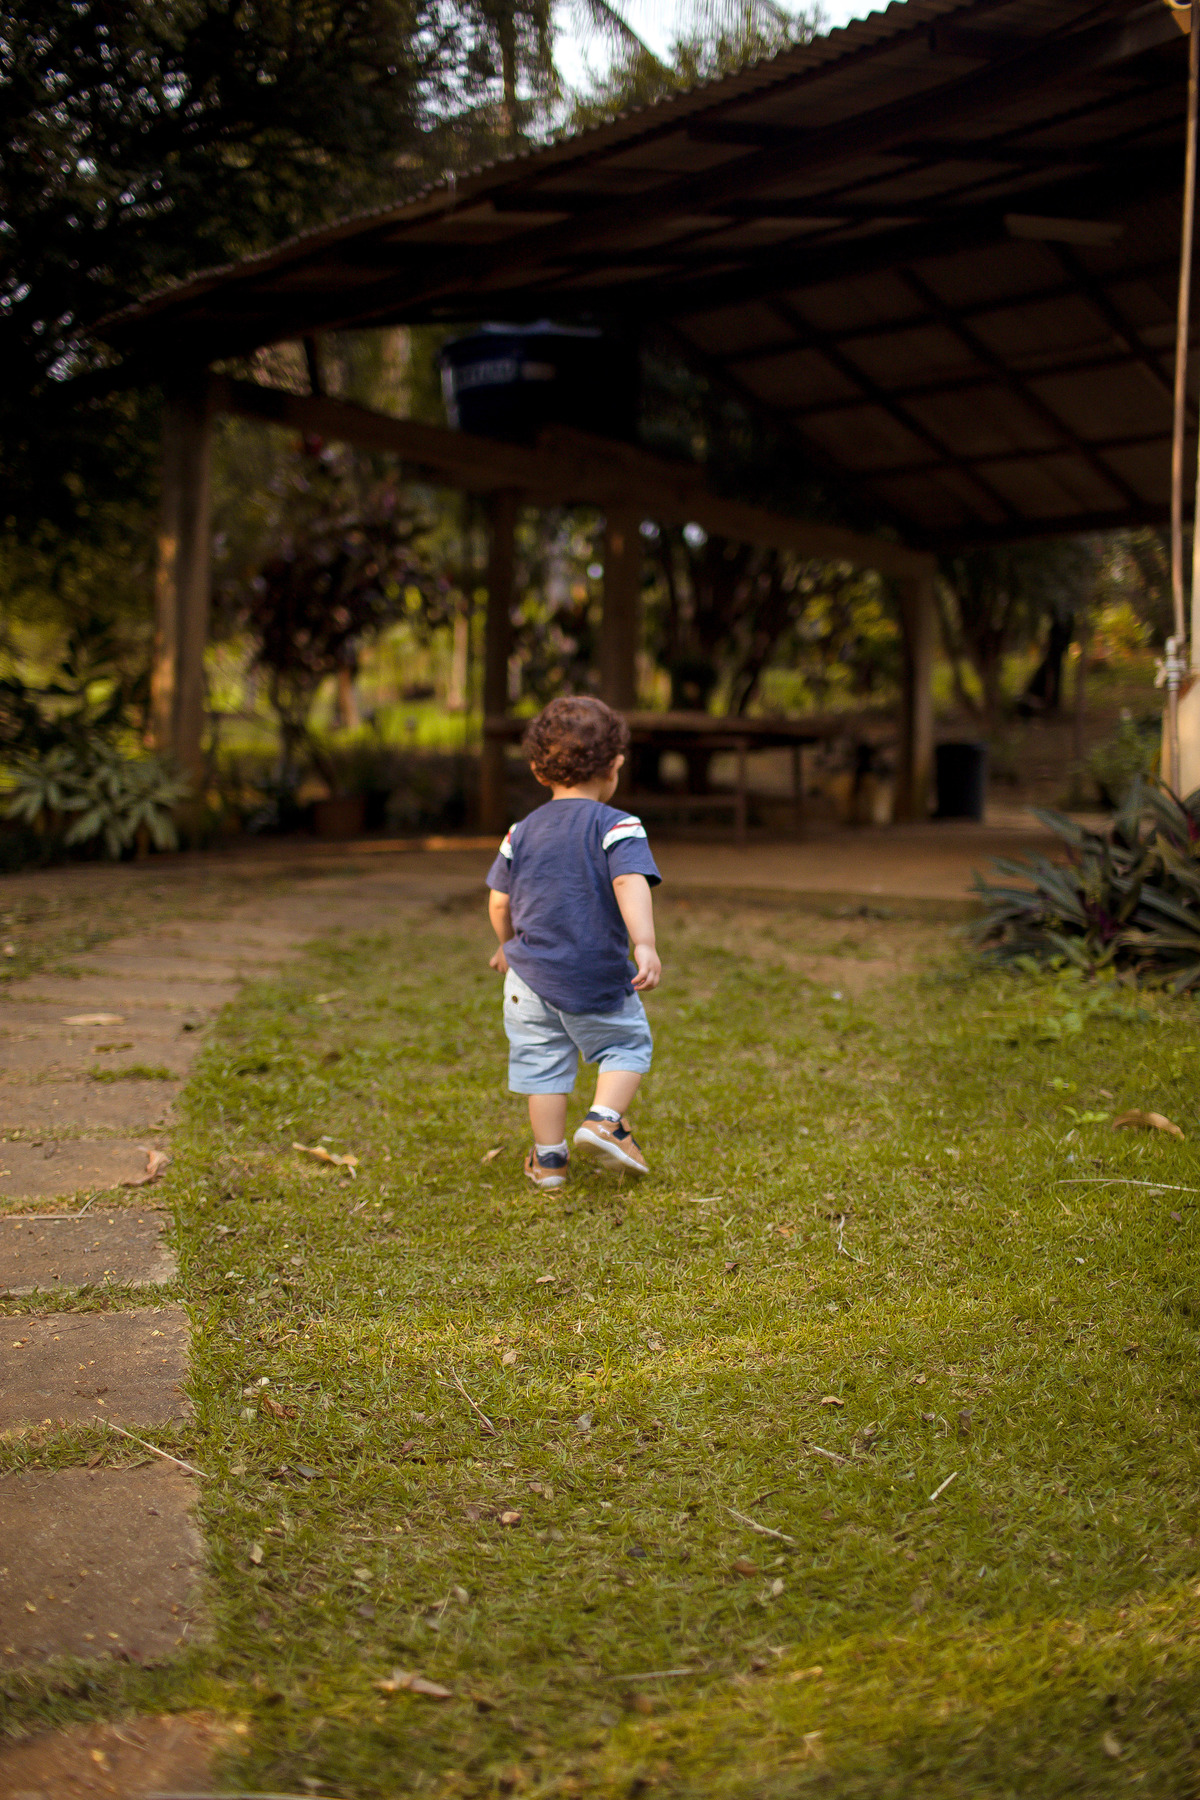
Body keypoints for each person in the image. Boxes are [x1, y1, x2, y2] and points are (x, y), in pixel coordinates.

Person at [485, 695, 662, 1190]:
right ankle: (605, 1120)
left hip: (527, 978)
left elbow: (498, 901)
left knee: (542, 1065)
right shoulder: (618, 825)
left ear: (538, 770)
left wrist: (506, 944)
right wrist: (644, 943)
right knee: (625, 1043)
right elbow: (628, 881)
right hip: (593, 973)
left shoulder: (520, 832)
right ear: (614, 766)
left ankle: (549, 1161)